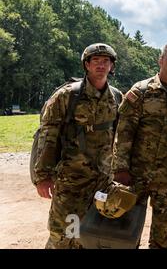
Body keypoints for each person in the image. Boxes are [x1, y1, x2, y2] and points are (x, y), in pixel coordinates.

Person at [112, 42, 167, 249]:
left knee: (162, 234)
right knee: (125, 229)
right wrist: (120, 169)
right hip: (135, 174)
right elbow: (124, 132)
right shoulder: (141, 91)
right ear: (160, 60)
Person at [34, 43, 122, 249]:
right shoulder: (67, 96)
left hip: (101, 182)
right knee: (63, 235)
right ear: (87, 65)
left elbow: (119, 137)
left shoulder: (116, 97)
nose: (101, 65)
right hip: (70, 181)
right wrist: (42, 176)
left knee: (92, 235)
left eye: (106, 61)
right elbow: (48, 136)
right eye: (96, 61)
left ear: (111, 66)